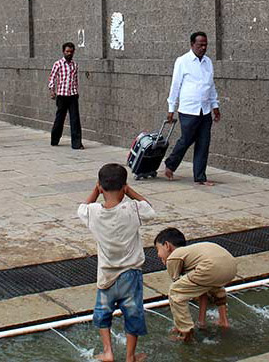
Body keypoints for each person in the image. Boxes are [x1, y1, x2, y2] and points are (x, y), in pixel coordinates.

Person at [78, 163, 155, 362]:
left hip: (106, 275)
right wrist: (130, 192)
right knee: (133, 313)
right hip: (131, 274)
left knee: (103, 313)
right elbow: (149, 209)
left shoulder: (93, 212)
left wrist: (95, 191)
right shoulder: (133, 208)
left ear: (100, 187)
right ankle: (130, 357)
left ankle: (108, 352)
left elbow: (82, 208)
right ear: (124, 187)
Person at [154, 227, 238, 341]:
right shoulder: (192, 253)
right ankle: (223, 321)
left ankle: (185, 332)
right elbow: (201, 291)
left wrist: (179, 324)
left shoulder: (174, 257)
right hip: (231, 266)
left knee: (175, 292)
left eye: (158, 250)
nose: (159, 257)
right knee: (212, 288)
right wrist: (201, 322)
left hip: (210, 267)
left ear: (167, 245)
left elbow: (179, 292)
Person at [164, 32, 221, 186]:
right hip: (189, 110)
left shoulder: (208, 62)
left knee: (204, 142)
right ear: (192, 44)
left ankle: (200, 177)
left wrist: (215, 106)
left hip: (205, 110)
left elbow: (211, 86)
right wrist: (171, 107)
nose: (203, 48)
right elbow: (175, 86)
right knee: (186, 139)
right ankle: (170, 164)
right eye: (200, 45)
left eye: (205, 45)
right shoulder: (182, 61)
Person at [48, 42, 84, 149]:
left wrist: (76, 92)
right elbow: (52, 78)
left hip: (72, 95)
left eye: (71, 52)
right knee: (60, 119)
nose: (69, 53)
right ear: (63, 52)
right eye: (67, 51)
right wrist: (52, 90)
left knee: (75, 119)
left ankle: (76, 144)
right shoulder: (58, 64)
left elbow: (75, 80)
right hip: (62, 96)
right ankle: (54, 139)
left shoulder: (75, 65)